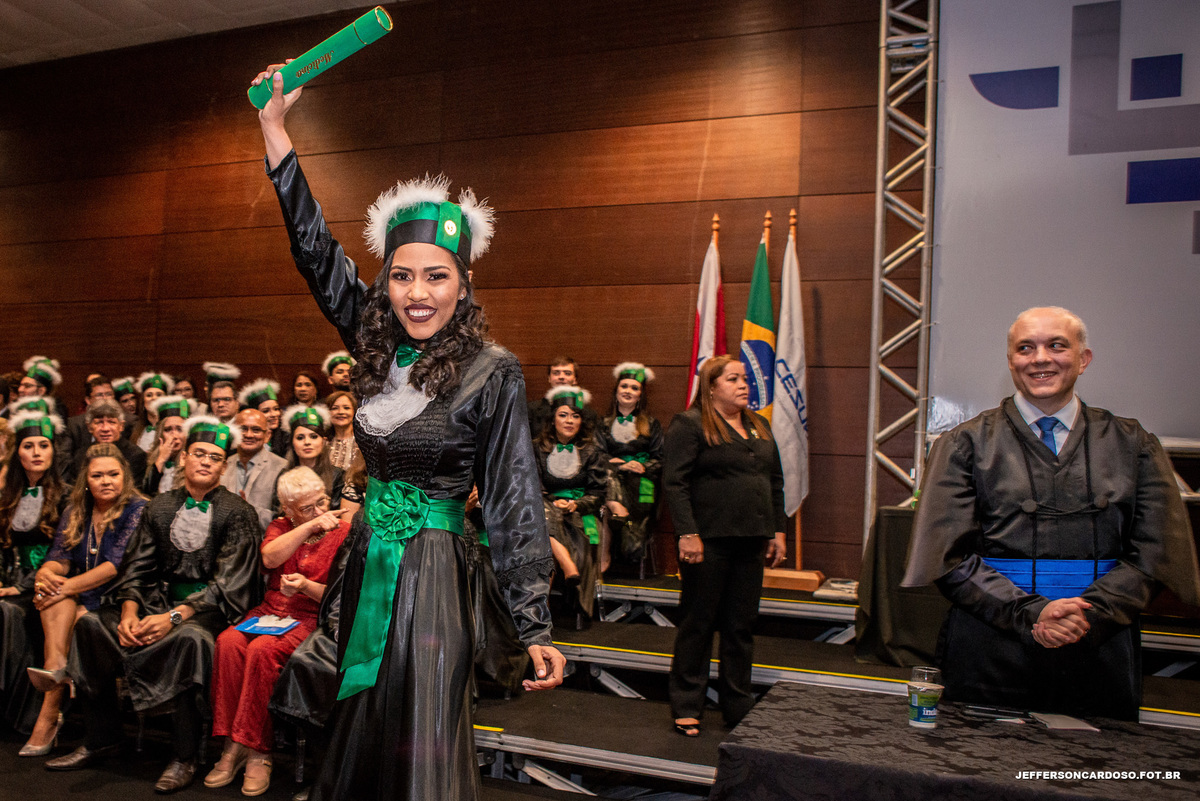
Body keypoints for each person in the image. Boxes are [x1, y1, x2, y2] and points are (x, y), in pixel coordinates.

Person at [254, 63, 564, 801]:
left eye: (435, 276)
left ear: (463, 283)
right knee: (363, 717)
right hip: (367, 562)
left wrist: (534, 622)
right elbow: (313, 248)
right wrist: (274, 130)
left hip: (434, 571)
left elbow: (517, 499)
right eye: (400, 276)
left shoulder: (493, 370)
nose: (416, 293)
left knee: (423, 725)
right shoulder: (370, 334)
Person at [902, 306, 1200, 720]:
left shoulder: (1134, 443)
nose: (1040, 358)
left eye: (1056, 345)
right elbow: (948, 557)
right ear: (1011, 362)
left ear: (1083, 358)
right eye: (1026, 348)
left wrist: (1085, 616)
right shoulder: (964, 443)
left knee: (1096, 777)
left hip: (1100, 644)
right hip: (990, 646)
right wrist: (1032, 613)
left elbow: (1155, 553)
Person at [47, 417, 262, 793]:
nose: (206, 462)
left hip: (209, 611)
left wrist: (174, 616)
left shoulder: (238, 513)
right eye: (199, 454)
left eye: (215, 457)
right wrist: (129, 612)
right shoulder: (159, 507)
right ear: (183, 458)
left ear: (224, 466)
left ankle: (184, 756)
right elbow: (137, 568)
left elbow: (230, 584)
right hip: (155, 602)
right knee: (93, 625)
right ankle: (102, 738)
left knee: (188, 641)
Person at [663, 355, 787, 736]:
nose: (743, 384)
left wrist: (777, 531)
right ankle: (687, 703)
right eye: (733, 379)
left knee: (740, 626)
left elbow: (775, 482)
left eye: (745, 378)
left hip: (751, 540)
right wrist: (687, 533)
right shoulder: (690, 424)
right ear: (712, 386)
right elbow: (675, 483)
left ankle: (737, 704)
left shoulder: (759, 425)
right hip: (708, 541)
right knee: (698, 623)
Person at [207, 467, 349, 797]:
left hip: (309, 615)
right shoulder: (281, 526)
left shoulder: (342, 532)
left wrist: (306, 586)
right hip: (269, 611)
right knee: (227, 643)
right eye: (307, 508)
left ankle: (257, 750)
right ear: (287, 509)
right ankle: (232, 743)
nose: (319, 512)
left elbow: (341, 594)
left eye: (322, 502)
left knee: (263, 651)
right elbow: (270, 558)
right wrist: (309, 526)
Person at [24, 444, 146, 756]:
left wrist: (61, 587)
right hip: (81, 591)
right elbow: (59, 556)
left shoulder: (138, 509)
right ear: (86, 481)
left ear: (125, 476)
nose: (106, 481)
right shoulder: (76, 510)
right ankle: (58, 667)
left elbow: (114, 565)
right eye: (98, 475)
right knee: (50, 596)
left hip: (121, 597)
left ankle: (50, 709)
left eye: (113, 474)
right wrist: (47, 575)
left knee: (72, 611)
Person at [0, 410, 66, 740]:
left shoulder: (67, 495)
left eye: (44, 445)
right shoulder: (5, 495)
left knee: (7, 612)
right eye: (28, 445)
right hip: (9, 578)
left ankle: (18, 713)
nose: (37, 452)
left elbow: (64, 552)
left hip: (49, 584)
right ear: (17, 452)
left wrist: (21, 586)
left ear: (54, 452)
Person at [534, 386, 607, 624]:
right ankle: (566, 564)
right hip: (543, 508)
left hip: (578, 512)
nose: (569, 421)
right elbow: (530, 486)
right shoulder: (536, 447)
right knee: (543, 516)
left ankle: (571, 599)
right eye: (563, 415)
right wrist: (554, 502)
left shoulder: (592, 451)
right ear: (553, 419)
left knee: (579, 535)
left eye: (575, 416)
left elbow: (598, 493)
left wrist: (576, 505)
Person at [595, 362, 664, 569]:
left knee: (607, 500)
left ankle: (619, 516)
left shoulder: (651, 424)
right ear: (616, 391)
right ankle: (605, 551)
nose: (628, 391)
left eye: (634, 388)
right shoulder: (603, 423)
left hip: (642, 483)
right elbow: (596, 456)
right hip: (611, 480)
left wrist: (640, 466)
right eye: (624, 386)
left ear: (640, 395)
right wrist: (621, 466)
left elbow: (659, 459)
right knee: (606, 484)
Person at [222, 409, 289, 532]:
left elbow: (284, 520)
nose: (248, 435)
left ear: (267, 436)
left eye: (256, 430)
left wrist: (247, 511)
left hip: (263, 544)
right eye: (243, 429)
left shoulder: (282, 467)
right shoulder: (223, 464)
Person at [64, 400, 147, 486]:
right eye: (99, 422)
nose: (105, 428)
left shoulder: (136, 455)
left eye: (111, 422)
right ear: (89, 427)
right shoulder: (81, 455)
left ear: (121, 426)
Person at [280, 404, 344, 508]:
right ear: (292, 443)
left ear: (324, 442)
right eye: (300, 438)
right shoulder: (284, 475)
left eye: (314, 437)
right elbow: (277, 514)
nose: (307, 442)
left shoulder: (337, 476)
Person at [527, 356, 597, 437]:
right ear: (549, 378)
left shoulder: (588, 413)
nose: (561, 377)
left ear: (575, 379)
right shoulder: (532, 410)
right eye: (556, 373)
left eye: (567, 373)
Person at [142, 396, 193, 497]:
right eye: (168, 430)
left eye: (179, 429)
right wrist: (161, 459)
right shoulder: (147, 460)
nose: (174, 435)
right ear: (160, 434)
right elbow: (145, 493)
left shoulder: (193, 461)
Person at [238, 379, 287, 457]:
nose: (273, 414)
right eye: (266, 411)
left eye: (276, 409)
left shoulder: (286, 437)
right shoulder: (245, 438)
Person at [132, 372, 175, 452]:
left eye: (159, 395)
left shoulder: (172, 428)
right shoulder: (136, 428)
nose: (154, 398)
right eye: (149, 395)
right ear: (143, 401)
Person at [325, 391, 360, 471]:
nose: (341, 412)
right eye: (335, 408)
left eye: (346, 408)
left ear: (354, 412)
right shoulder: (323, 444)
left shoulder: (363, 444)